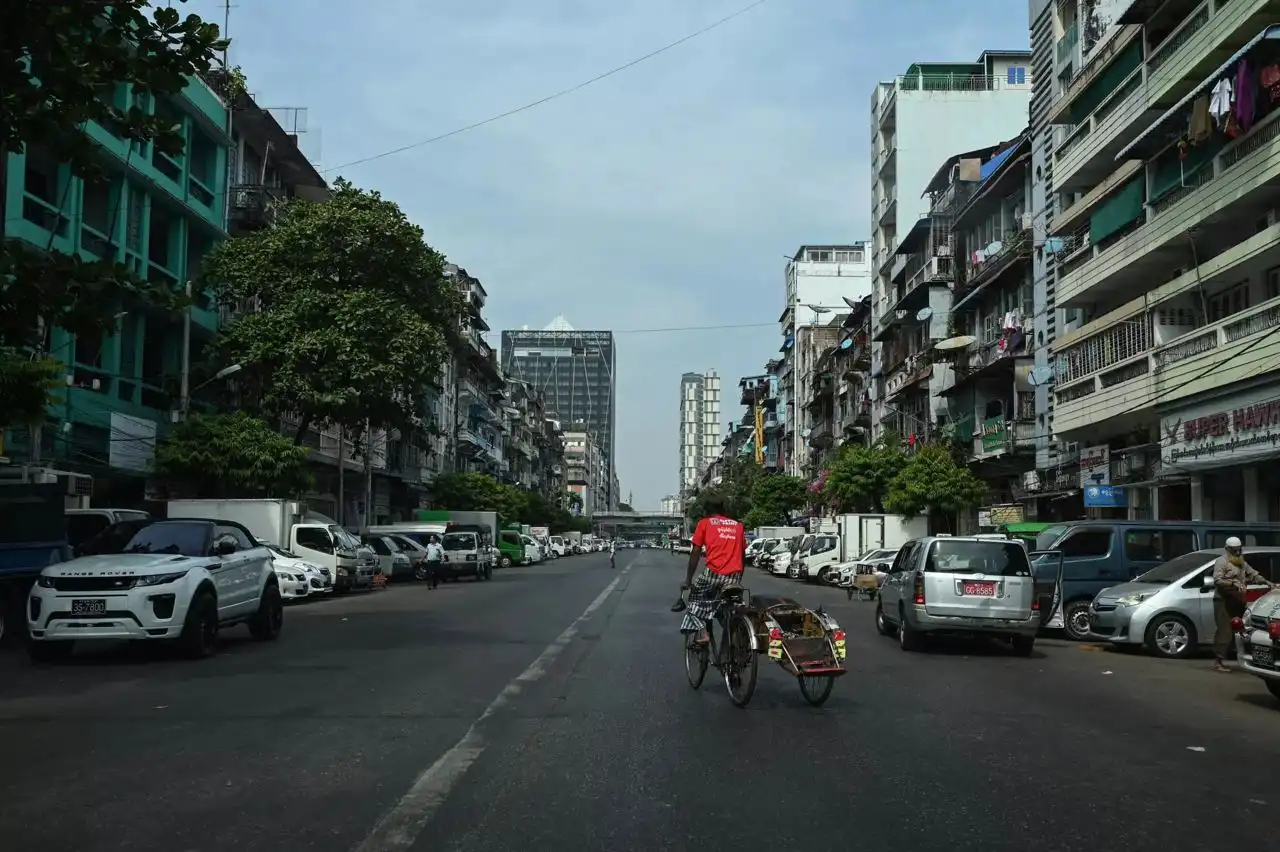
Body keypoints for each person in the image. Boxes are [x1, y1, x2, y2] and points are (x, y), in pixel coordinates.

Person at [679, 495, 746, 646]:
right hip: (734, 577)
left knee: (694, 601)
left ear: (707, 510)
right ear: (723, 509)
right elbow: (742, 555)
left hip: (713, 575)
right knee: (728, 607)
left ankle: (703, 632)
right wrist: (738, 577)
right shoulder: (738, 525)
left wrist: (688, 580)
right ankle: (735, 638)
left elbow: (695, 552)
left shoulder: (705, 523)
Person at [1211, 536, 1274, 672]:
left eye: (1239, 550)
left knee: (1242, 629)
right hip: (1224, 600)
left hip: (1238, 600)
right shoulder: (1222, 562)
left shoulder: (1241, 562)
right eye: (1234, 550)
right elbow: (1218, 580)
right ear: (1228, 549)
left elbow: (1253, 575)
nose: (1237, 553)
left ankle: (1246, 658)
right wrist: (1232, 582)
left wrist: (1266, 583)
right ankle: (1218, 661)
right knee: (1225, 631)